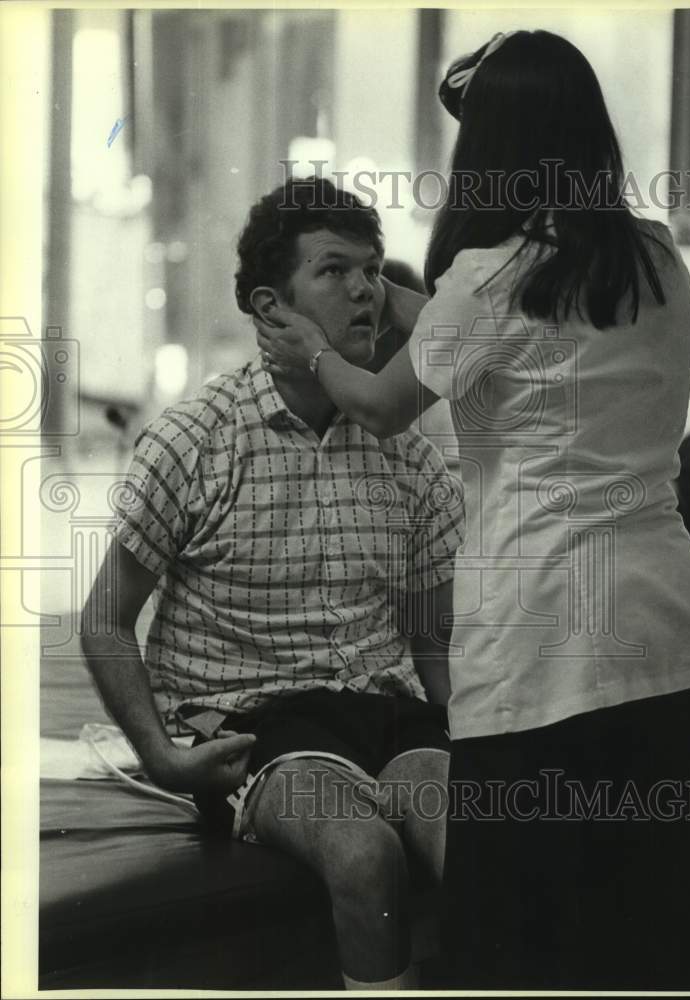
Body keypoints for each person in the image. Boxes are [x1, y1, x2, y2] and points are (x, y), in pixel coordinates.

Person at [254, 30, 690, 990]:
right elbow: (531, 340)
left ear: (495, 144)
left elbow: (386, 405)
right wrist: (409, 305)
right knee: (636, 929)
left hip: (542, 643)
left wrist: (315, 349)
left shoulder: (489, 276)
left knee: (515, 940)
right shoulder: (653, 258)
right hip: (660, 630)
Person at [81, 178, 465, 992]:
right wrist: (161, 759)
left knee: (472, 841)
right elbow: (107, 620)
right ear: (271, 307)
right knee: (363, 855)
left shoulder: (412, 459)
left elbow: (434, 643)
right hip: (260, 721)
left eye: (369, 270)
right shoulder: (195, 439)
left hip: (387, 710)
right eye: (333, 271)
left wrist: (481, 738)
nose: (364, 289)